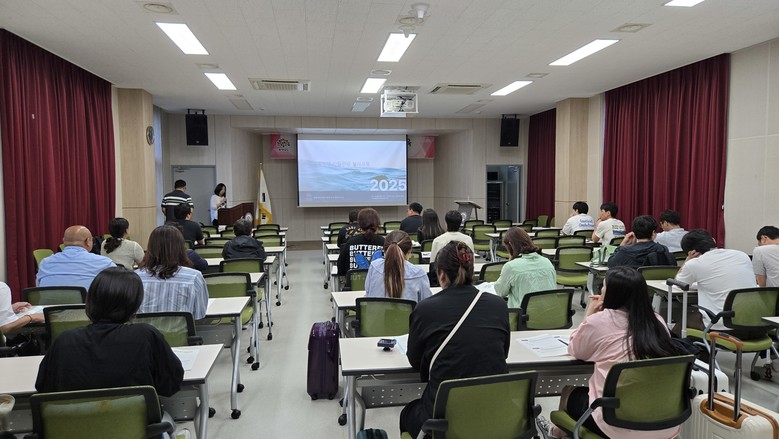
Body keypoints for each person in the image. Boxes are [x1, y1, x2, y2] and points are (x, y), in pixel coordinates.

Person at [553, 267, 680, 439]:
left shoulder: (599, 321)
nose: (601, 290)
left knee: (568, 392)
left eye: (604, 286)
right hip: (666, 422)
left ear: (613, 294)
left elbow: (576, 349)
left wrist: (589, 314)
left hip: (618, 425)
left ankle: (556, 434)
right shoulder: (657, 321)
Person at [400, 241, 510, 438]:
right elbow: (504, 352)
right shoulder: (499, 305)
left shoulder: (425, 309)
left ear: (441, 275)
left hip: (442, 421)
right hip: (493, 415)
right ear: (472, 271)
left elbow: (415, 361)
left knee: (407, 413)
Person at [35, 267, 184, 398]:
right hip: (134, 421)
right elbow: (171, 384)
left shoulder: (64, 340)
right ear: (134, 304)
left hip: (73, 421)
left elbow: (44, 388)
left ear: (91, 299)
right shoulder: (145, 336)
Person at [674, 229, 760, 338]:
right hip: (756, 327)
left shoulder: (694, 263)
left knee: (685, 319)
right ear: (713, 240)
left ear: (691, 252)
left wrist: (687, 260)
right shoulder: (742, 255)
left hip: (726, 328)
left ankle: (672, 346)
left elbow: (678, 283)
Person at [136, 225, 208, 320]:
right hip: (182, 330)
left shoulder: (135, 277)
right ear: (180, 247)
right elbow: (199, 314)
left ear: (150, 247)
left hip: (144, 329)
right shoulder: (194, 277)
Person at [494, 227, 557, 308]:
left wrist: (511, 260)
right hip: (550, 312)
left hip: (523, 314)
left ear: (511, 244)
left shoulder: (511, 266)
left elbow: (500, 292)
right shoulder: (547, 262)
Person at [37, 225, 115, 290]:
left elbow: (38, 287)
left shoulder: (45, 263)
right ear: (88, 241)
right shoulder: (105, 263)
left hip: (50, 304)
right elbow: (117, 288)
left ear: (63, 241)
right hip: (88, 304)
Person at [365, 230, 432, 302]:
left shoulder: (374, 267)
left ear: (384, 251)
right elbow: (426, 303)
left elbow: (368, 294)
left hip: (376, 309)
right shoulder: (419, 274)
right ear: (409, 252)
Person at [607, 215, 675, 269]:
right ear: (653, 233)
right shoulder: (662, 249)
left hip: (632, 282)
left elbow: (611, 264)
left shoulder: (624, 251)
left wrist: (621, 245)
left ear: (634, 233)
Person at [337, 208, 385, 275]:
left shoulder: (350, 243)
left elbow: (340, 269)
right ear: (377, 223)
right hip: (378, 281)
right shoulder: (384, 243)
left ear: (360, 224)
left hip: (355, 281)